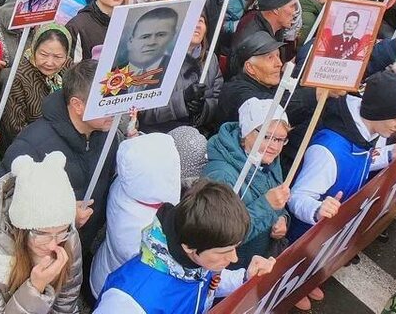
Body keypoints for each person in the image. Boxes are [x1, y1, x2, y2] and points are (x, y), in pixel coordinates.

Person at [94, 180, 274, 313]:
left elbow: (207, 282)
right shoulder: (128, 301)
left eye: (235, 248)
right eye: (224, 252)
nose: (234, 258)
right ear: (189, 247)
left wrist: (245, 278)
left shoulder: (193, 258)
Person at [287, 71, 396, 240]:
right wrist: (317, 210)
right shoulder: (327, 151)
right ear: (377, 113)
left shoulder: (365, 135)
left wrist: (391, 154)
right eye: (395, 118)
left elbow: (356, 162)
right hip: (303, 242)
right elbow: (297, 197)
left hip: (327, 241)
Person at [2, 60, 111, 253]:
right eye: (106, 102)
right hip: (42, 257)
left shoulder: (108, 136)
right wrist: (66, 218)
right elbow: (1, 211)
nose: (115, 108)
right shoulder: (32, 145)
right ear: (77, 105)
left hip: (82, 250)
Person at [0, 152, 84, 313]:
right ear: (21, 228)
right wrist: (35, 288)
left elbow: (66, 305)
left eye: (61, 231)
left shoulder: (69, 238)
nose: (53, 244)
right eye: (42, 233)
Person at [89, 133, 182, 299]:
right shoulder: (141, 227)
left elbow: (139, 165)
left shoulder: (129, 189)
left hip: (103, 269)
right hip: (115, 290)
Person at [203, 99, 291, 271]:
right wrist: (267, 206)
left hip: (258, 262)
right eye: (267, 136)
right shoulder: (221, 176)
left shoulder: (268, 160)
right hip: (231, 270)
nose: (274, 146)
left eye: (281, 140)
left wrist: (282, 219)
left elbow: (277, 202)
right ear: (246, 132)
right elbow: (220, 235)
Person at [0, 25, 70, 151]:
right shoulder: (19, 78)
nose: (49, 62)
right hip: (31, 150)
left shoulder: (68, 69)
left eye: (58, 57)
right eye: (43, 54)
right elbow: (15, 128)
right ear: (34, 49)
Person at [115, 6, 179, 93]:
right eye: (145, 37)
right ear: (130, 41)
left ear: (172, 37)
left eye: (161, 35)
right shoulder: (112, 74)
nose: (152, 42)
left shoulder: (180, 73)